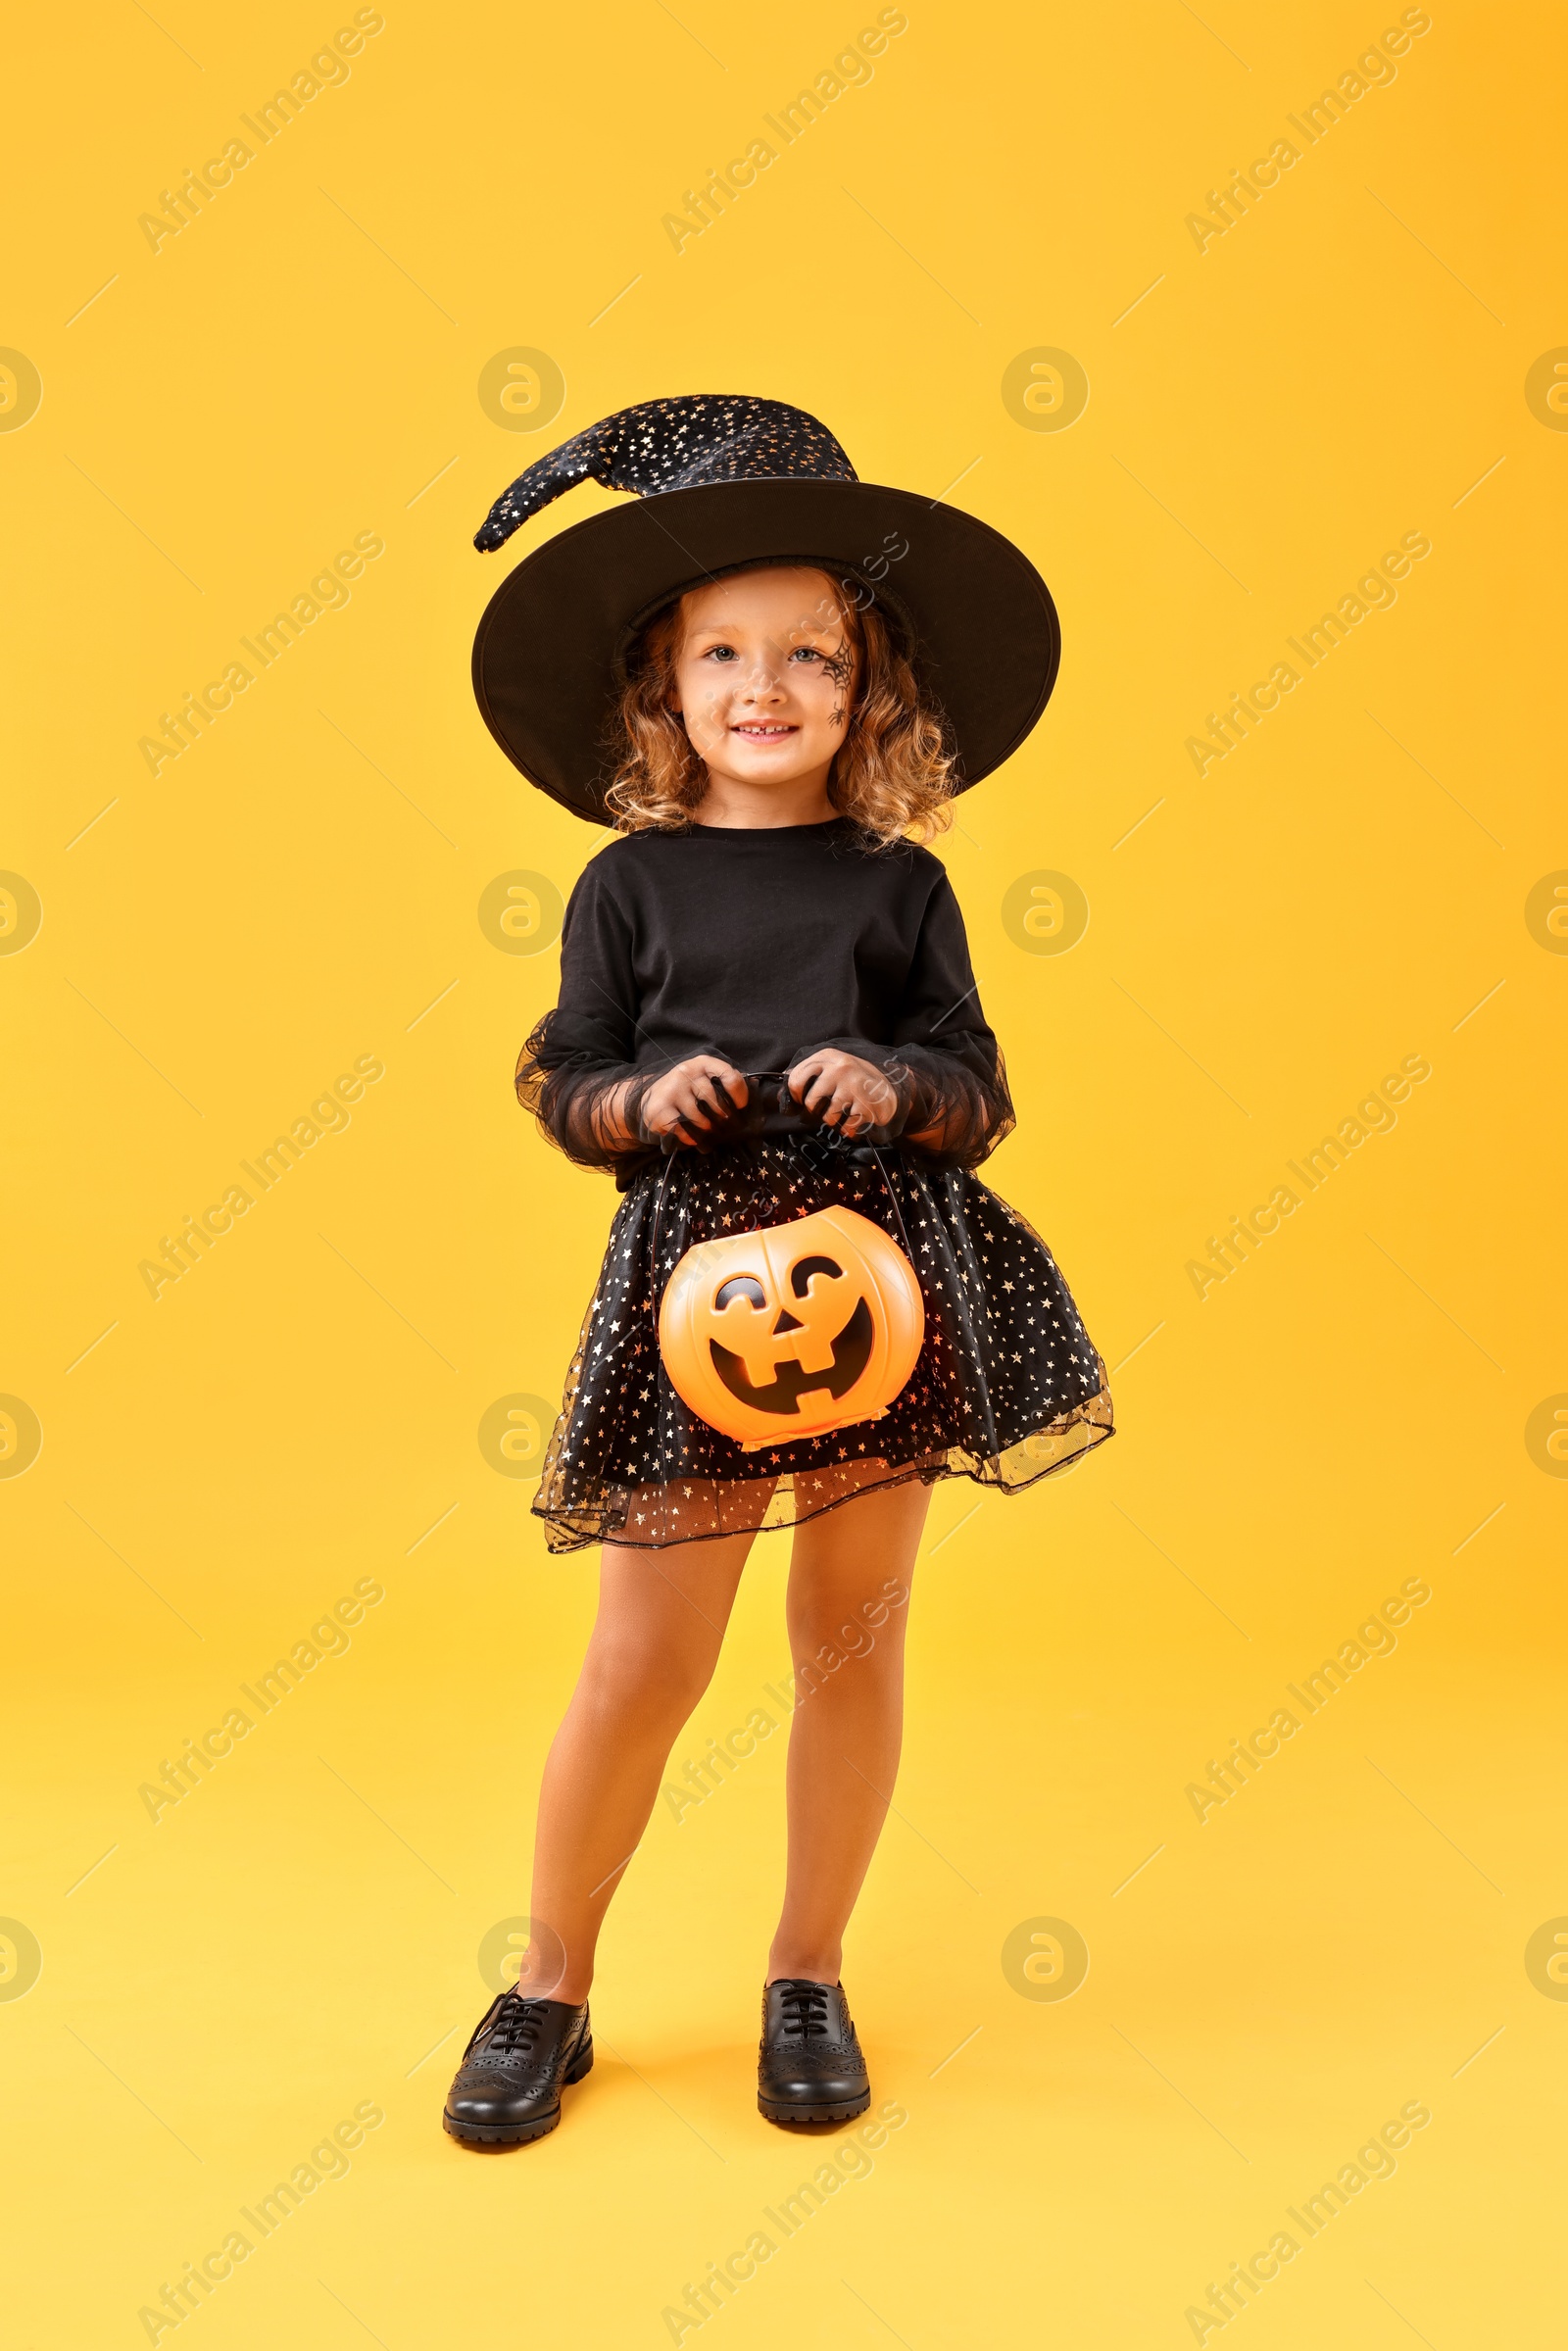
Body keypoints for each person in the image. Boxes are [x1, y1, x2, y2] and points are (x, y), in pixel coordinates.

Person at [443, 396, 1113, 2148]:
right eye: (722, 653)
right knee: (642, 1664)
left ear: (866, 686)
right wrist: (630, 1102)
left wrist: (902, 1086)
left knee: (852, 1640)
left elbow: (980, 1086)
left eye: (809, 654)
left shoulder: (899, 886)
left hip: (877, 1286)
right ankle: (550, 1983)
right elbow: (565, 1071)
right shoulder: (628, 885)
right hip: (693, 1285)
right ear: (663, 689)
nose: (765, 686)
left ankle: (806, 1972)